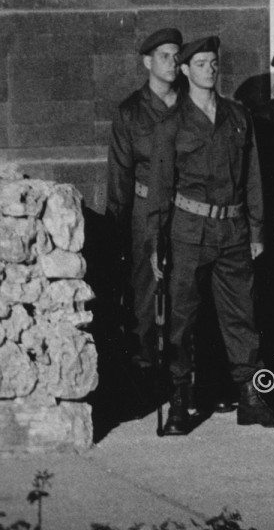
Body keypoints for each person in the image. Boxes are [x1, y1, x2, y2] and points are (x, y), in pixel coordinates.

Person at [156, 36, 274, 433]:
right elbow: (162, 189)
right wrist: (156, 243)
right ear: (185, 70)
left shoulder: (237, 116)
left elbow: (252, 178)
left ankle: (250, 399)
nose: (209, 69)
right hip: (187, 232)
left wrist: (256, 230)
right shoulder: (171, 124)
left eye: (213, 63)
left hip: (233, 231)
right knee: (181, 320)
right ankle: (181, 399)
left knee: (242, 318)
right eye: (200, 63)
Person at [105, 27, 182, 413]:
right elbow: (119, 176)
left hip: (185, 212)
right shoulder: (131, 112)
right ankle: (145, 377)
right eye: (164, 56)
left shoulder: (191, 105)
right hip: (143, 214)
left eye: (176, 55)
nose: (173, 63)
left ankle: (185, 378)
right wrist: (117, 232)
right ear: (147, 62)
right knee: (144, 296)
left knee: (186, 292)